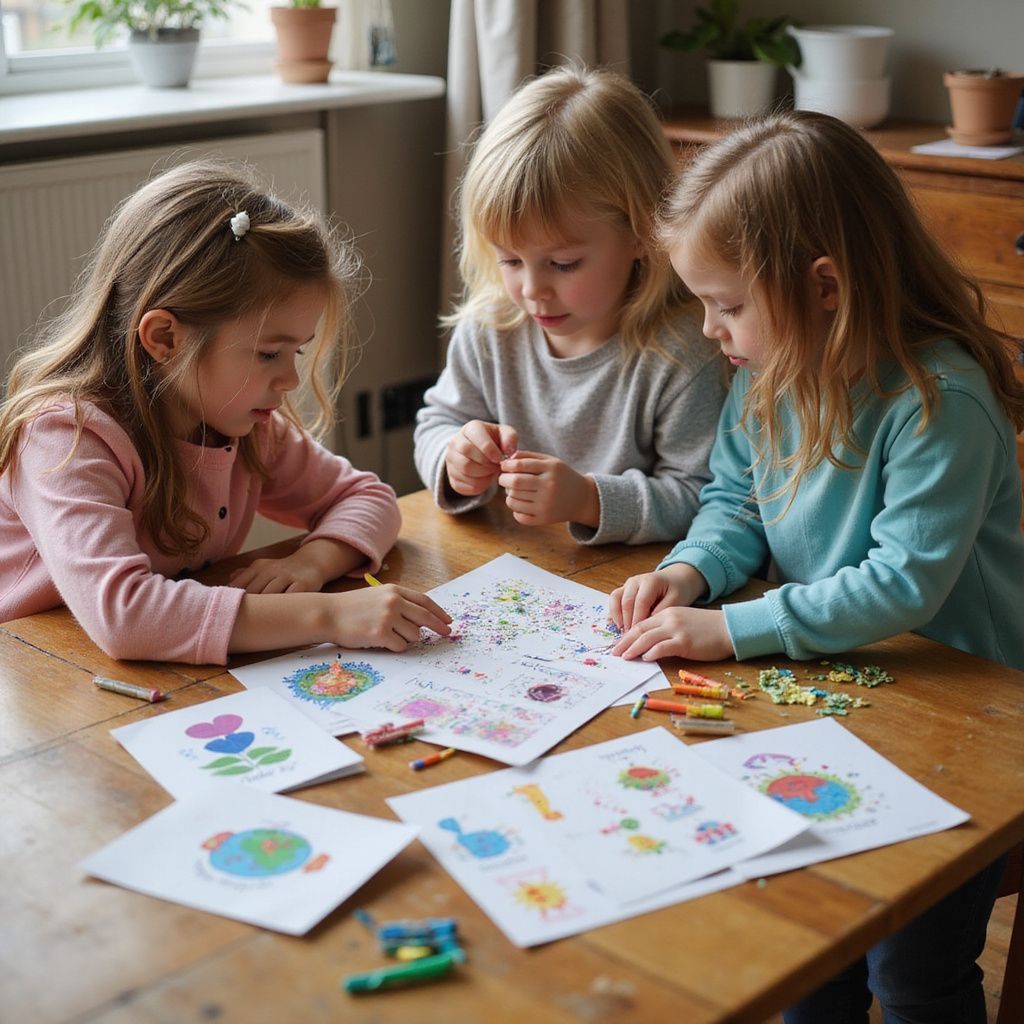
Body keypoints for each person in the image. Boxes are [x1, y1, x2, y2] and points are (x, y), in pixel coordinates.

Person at [610, 110, 1024, 1023]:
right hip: (844, 690)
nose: (711, 329)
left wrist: (729, 628)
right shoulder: (765, 375)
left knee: (913, 977)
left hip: (968, 721)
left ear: (825, 286)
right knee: (812, 948)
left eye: (727, 304)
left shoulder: (937, 401)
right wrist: (689, 576)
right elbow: (736, 505)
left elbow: (899, 585)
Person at [0, 160, 450, 664]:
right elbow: (125, 615)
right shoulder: (64, 437)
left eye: (296, 352)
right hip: (36, 678)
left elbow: (366, 496)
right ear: (165, 338)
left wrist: (313, 563)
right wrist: (331, 615)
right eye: (267, 353)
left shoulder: (242, 424)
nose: (291, 380)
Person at [413, 65, 727, 545]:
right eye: (510, 259)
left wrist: (587, 499)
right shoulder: (491, 326)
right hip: (519, 562)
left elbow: (704, 496)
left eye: (562, 263)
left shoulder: (684, 352)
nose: (532, 289)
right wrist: (453, 457)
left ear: (641, 232)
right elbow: (437, 421)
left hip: (634, 585)